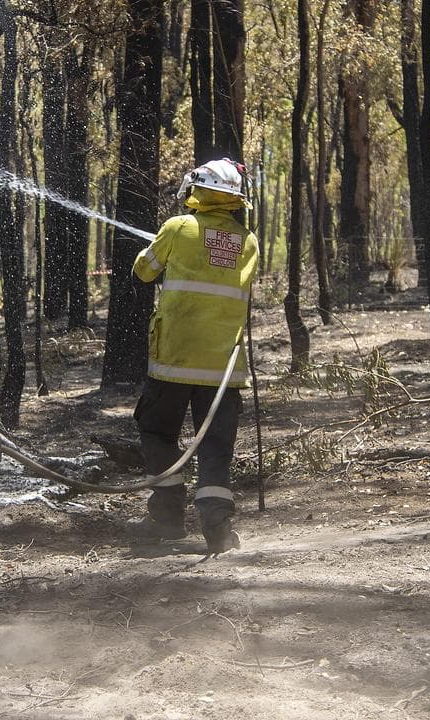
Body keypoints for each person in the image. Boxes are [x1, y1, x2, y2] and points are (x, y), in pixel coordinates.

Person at [129, 158, 259, 554]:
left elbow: (143, 270)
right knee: (216, 445)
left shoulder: (177, 228)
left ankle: (167, 518)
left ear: (196, 190)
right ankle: (218, 530)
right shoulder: (248, 242)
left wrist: (162, 246)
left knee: (157, 432)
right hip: (223, 371)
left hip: (174, 362)